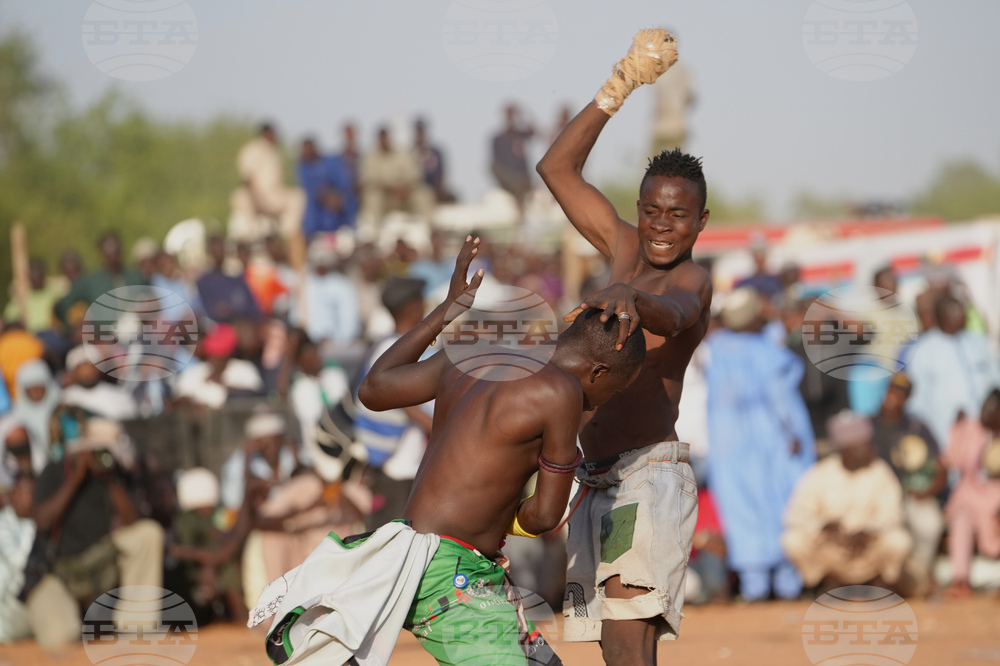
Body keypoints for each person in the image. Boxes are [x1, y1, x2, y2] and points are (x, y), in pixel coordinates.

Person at [249, 237, 646, 666]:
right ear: (600, 371)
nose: (603, 401)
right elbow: (545, 516)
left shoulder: (478, 352)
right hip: (452, 576)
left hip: (419, 556)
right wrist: (504, 516)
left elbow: (375, 387)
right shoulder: (562, 390)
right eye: (614, 391)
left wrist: (445, 312)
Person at [536, 29, 709, 664]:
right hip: (594, 476)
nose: (664, 226)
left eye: (679, 215)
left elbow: (678, 310)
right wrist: (621, 85)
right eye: (654, 212)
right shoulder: (625, 247)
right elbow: (555, 168)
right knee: (617, 646)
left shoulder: (690, 278)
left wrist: (637, 300)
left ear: (700, 221)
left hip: (647, 475)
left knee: (626, 640)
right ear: (640, 210)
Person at [705, 287, 815, 601]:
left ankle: (755, 587)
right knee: (783, 507)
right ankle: (786, 584)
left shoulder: (714, 349)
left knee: (741, 510)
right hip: (773, 445)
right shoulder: (768, 353)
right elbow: (781, 401)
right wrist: (793, 433)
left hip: (728, 449)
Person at [25, 418, 164, 649]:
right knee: (61, 639)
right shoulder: (54, 470)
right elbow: (43, 521)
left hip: (99, 563)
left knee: (148, 533)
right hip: (58, 573)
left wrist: (109, 481)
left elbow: (132, 521)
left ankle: (137, 626)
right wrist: (76, 478)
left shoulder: (112, 474)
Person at [782, 411, 913, 591]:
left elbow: (893, 514)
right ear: (846, 449)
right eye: (864, 445)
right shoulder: (820, 473)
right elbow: (795, 515)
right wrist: (823, 526)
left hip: (867, 551)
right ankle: (823, 584)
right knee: (792, 539)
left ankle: (880, 584)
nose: (871, 450)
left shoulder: (880, 472)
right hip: (832, 551)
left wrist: (868, 531)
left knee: (898, 540)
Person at [869, 372, 946, 595]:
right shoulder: (868, 424)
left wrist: (930, 490)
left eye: (901, 393)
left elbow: (941, 465)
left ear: (908, 397)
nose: (894, 396)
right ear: (885, 391)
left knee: (930, 524)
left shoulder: (916, 426)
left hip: (910, 494)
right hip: (877, 498)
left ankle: (917, 577)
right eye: (892, 390)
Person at [903, 293, 1000, 450]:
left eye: (963, 310)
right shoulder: (924, 351)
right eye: (958, 311)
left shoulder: (978, 341)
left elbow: (996, 379)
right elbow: (917, 401)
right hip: (947, 432)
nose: (964, 315)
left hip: (988, 429)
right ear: (943, 315)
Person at [941, 389, 1000, 597]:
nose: (986, 414)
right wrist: (956, 430)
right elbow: (953, 460)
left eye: (992, 410)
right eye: (984, 408)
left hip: (996, 499)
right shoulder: (970, 427)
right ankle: (960, 579)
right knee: (962, 519)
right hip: (969, 495)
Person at [229, 122, 307, 241]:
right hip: (252, 196)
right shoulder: (252, 150)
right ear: (267, 134)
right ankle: (248, 241)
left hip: (271, 197)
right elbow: (246, 178)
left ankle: (287, 236)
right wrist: (255, 197)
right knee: (247, 228)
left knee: (296, 197)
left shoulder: (274, 152)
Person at [54, 233, 147, 327]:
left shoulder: (136, 277)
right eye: (108, 255)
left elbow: (152, 299)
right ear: (101, 254)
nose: (113, 258)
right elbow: (62, 306)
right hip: (103, 337)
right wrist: (71, 329)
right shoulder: (91, 281)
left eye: (115, 252)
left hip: (137, 335)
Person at [359, 125, 434, 228]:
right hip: (385, 198)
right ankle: (375, 233)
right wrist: (392, 189)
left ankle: (428, 230)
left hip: (405, 195)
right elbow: (370, 181)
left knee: (424, 194)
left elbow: (414, 176)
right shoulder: (371, 157)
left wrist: (405, 189)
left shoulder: (402, 154)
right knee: (372, 197)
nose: (384, 141)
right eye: (382, 139)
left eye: (386, 138)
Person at [298, 137, 358, 237]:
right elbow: (311, 191)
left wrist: (335, 196)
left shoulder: (332, 161)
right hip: (316, 219)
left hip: (340, 211)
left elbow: (344, 183)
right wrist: (323, 196)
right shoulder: (303, 168)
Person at [195, 235, 262, 324]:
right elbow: (207, 311)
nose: (219, 253)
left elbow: (253, 307)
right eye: (215, 250)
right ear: (210, 252)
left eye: (221, 249)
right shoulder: (203, 282)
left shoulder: (236, 278)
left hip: (242, 323)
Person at [491, 103, 535, 218]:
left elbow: (534, 131)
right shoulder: (498, 139)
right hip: (509, 179)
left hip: (523, 178)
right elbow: (495, 164)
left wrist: (521, 115)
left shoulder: (521, 135)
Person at [3, 258, 64, 333]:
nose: (35, 277)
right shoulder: (21, 296)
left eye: (38, 273)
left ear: (43, 274)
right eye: (33, 273)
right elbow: (8, 318)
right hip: (28, 336)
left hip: (49, 334)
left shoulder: (55, 293)